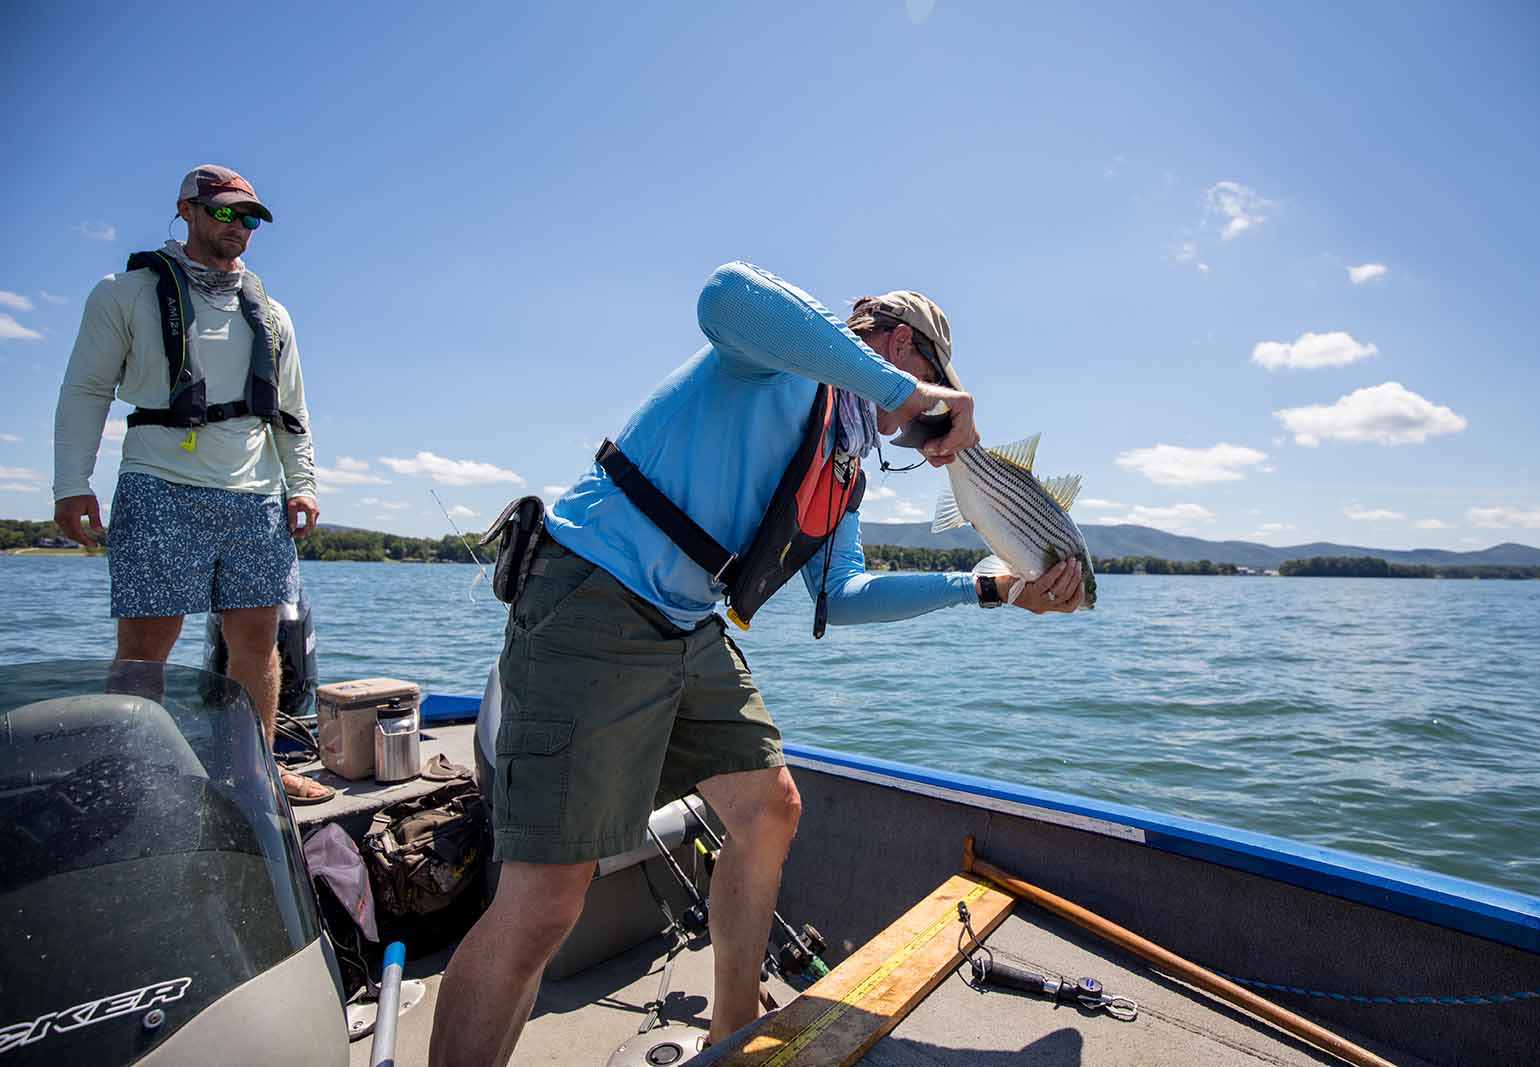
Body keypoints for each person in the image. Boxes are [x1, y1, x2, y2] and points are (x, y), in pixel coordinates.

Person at [429, 261, 1085, 1066]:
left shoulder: (841, 458)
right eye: (931, 383)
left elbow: (840, 593)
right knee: (546, 899)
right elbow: (722, 295)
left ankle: (732, 1019)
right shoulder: (788, 347)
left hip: (684, 623)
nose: (923, 417)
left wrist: (984, 588)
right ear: (901, 345)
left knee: (769, 807)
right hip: (594, 594)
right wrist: (905, 394)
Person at [51, 163, 332, 804]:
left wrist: (303, 483)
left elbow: (292, 409)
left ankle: (255, 771)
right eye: (224, 212)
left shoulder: (273, 313)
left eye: (250, 218)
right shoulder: (121, 293)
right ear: (187, 210)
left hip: (255, 494)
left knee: (257, 637)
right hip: (159, 483)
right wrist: (72, 482)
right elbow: (86, 390)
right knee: (146, 642)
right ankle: (124, 770)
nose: (238, 227)